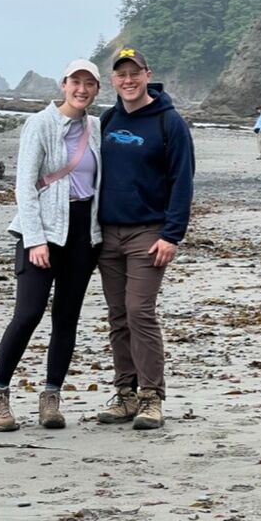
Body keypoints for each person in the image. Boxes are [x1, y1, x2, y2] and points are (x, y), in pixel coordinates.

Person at [0, 59, 103, 431]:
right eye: (75, 82)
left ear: (97, 90)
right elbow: (24, 186)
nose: (81, 89)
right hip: (42, 231)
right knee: (28, 314)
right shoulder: (39, 124)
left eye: (89, 84)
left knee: (66, 318)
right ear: (63, 85)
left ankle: (51, 398)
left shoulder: (97, 127)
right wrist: (36, 240)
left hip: (83, 232)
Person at [97, 47, 194, 431]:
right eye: (121, 74)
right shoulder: (107, 119)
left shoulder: (169, 123)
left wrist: (172, 235)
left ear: (147, 74)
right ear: (113, 80)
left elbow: (182, 181)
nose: (128, 80)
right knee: (119, 316)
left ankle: (152, 396)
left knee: (140, 312)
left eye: (134, 73)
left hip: (149, 233)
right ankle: (125, 394)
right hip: (107, 234)